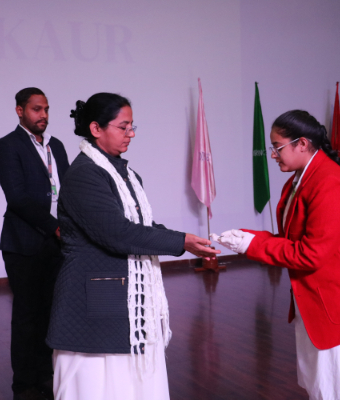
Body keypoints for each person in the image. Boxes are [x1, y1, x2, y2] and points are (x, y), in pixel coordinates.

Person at [212, 110, 340, 400]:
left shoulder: (329, 182)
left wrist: (252, 245)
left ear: (302, 143)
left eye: (277, 147)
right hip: (321, 300)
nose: (272, 155)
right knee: (323, 389)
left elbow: (311, 254)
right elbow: (292, 240)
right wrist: (248, 237)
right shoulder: (299, 179)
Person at [46, 92, 220, 400]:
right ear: (96, 128)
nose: (131, 134)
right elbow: (117, 234)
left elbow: (142, 226)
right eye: (123, 127)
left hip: (119, 289)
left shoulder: (125, 173)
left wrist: (185, 239)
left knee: (131, 381)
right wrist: (180, 242)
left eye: (132, 126)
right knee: (101, 383)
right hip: (95, 293)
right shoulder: (84, 174)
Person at [0, 87, 70, 400]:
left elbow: (67, 191)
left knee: (50, 313)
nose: (43, 115)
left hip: (58, 244)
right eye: (37, 109)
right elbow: (18, 198)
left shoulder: (57, 146)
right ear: (20, 110)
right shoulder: (8, 146)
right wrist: (55, 227)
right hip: (24, 243)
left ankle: (45, 376)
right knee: (27, 316)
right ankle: (24, 385)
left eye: (46, 109)